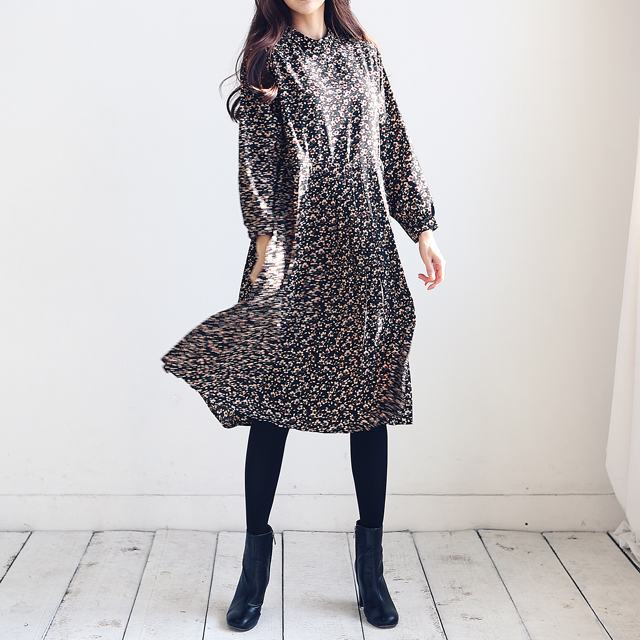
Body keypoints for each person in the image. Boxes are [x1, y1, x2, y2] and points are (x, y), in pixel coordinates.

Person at [161, 0, 445, 632]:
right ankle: (253, 570)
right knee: (271, 404)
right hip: (295, 251)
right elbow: (257, 162)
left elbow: (394, 146)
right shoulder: (269, 59)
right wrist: (265, 249)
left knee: (371, 403)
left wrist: (423, 229)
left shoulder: (364, 55)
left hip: (365, 250)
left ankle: (371, 573)